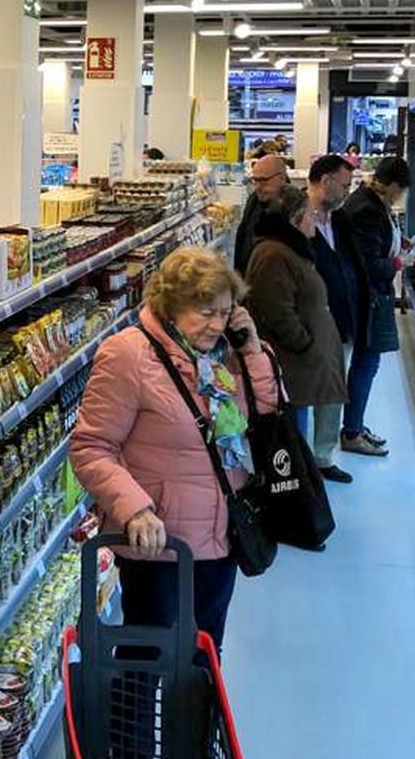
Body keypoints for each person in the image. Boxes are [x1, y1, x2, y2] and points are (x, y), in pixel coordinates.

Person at [72, 246, 278, 652]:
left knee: (204, 656)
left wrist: (252, 350)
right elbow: (91, 446)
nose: (217, 324)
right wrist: (134, 508)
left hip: (222, 536)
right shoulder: (128, 355)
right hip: (159, 547)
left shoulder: (222, 355)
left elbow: (266, 412)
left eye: (225, 312)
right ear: (170, 307)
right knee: (147, 664)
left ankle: (199, 718)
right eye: (205, 313)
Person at [243, 187, 350, 483]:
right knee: (294, 434)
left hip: (304, 362)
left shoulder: (288, 248)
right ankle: (300, 486)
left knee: (299, 428)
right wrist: (304, 343)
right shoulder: (274, 254)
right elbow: (277, 311)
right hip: (294, 363)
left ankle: (307, 477)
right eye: (311, 215)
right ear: (295, 218)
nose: (315, 221)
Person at [305, 155, 377, 469]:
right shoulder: (296, 219)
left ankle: (322, 456)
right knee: (299, 392)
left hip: (339, 319)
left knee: (333, 389)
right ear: (325, 181)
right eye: (344, 185)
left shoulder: (340, 219)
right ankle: (297, 461)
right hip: (307, 322)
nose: (348, 192)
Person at [340, 156, 413, 456]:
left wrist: (397, 246)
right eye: (402, 189)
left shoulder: (368, 200)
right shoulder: (368, 209)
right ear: (394, 185)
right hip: (366, 298)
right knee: (366, 363)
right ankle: (352, 431)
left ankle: (355, 425)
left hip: (364, 296)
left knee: (364, 363)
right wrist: (398, 262)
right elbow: (369, 263)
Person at [233, 151, 289, 273]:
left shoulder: (295, 208)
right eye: (255, 180)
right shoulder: (254, 199)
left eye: (264, 181)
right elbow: (243, 236)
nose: (258, 186)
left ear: (282, 178)